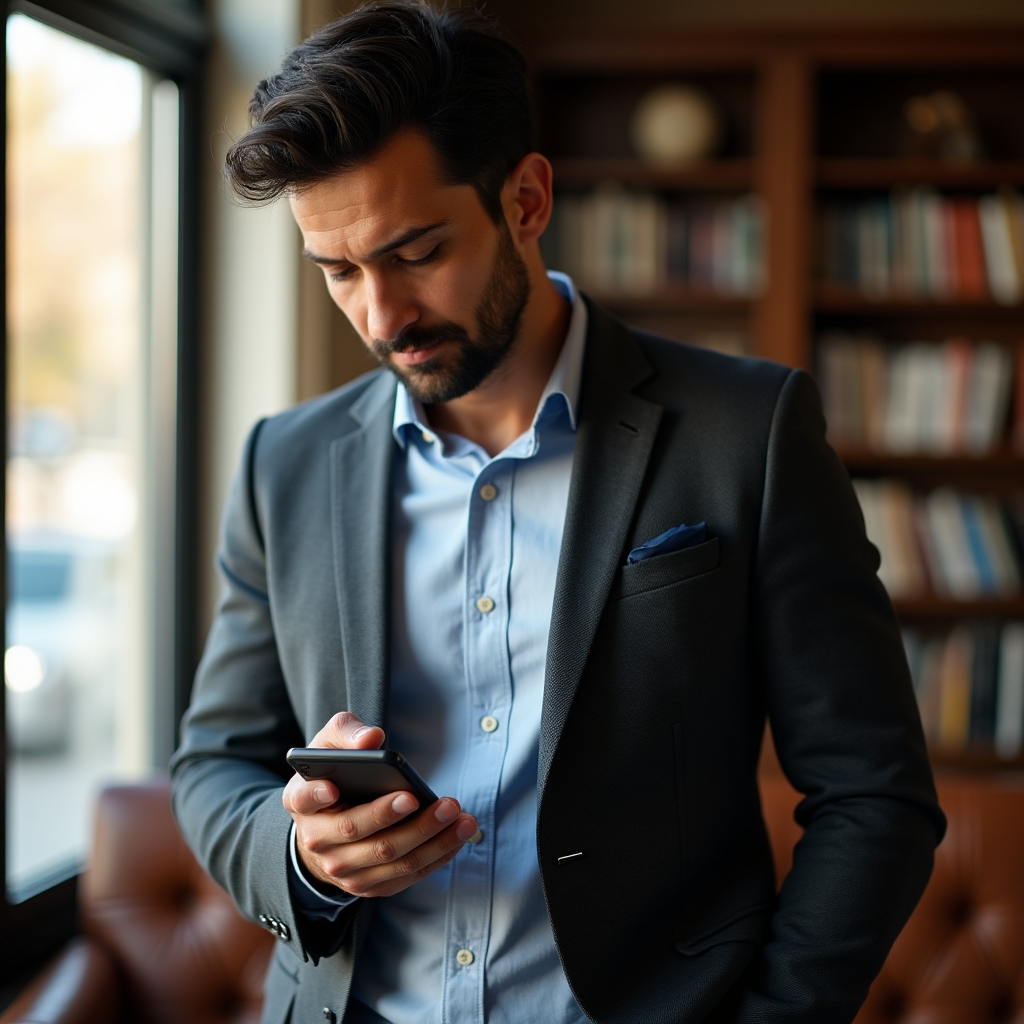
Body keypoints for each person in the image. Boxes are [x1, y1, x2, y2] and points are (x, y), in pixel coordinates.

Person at [170, 4, 945, 1023]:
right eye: (338, 271)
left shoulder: (747, 432)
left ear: (526, 199)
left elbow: (872, 794)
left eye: (415, 252)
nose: (379, 315)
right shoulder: (287, 461)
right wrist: (303, 856)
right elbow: (213, 766)